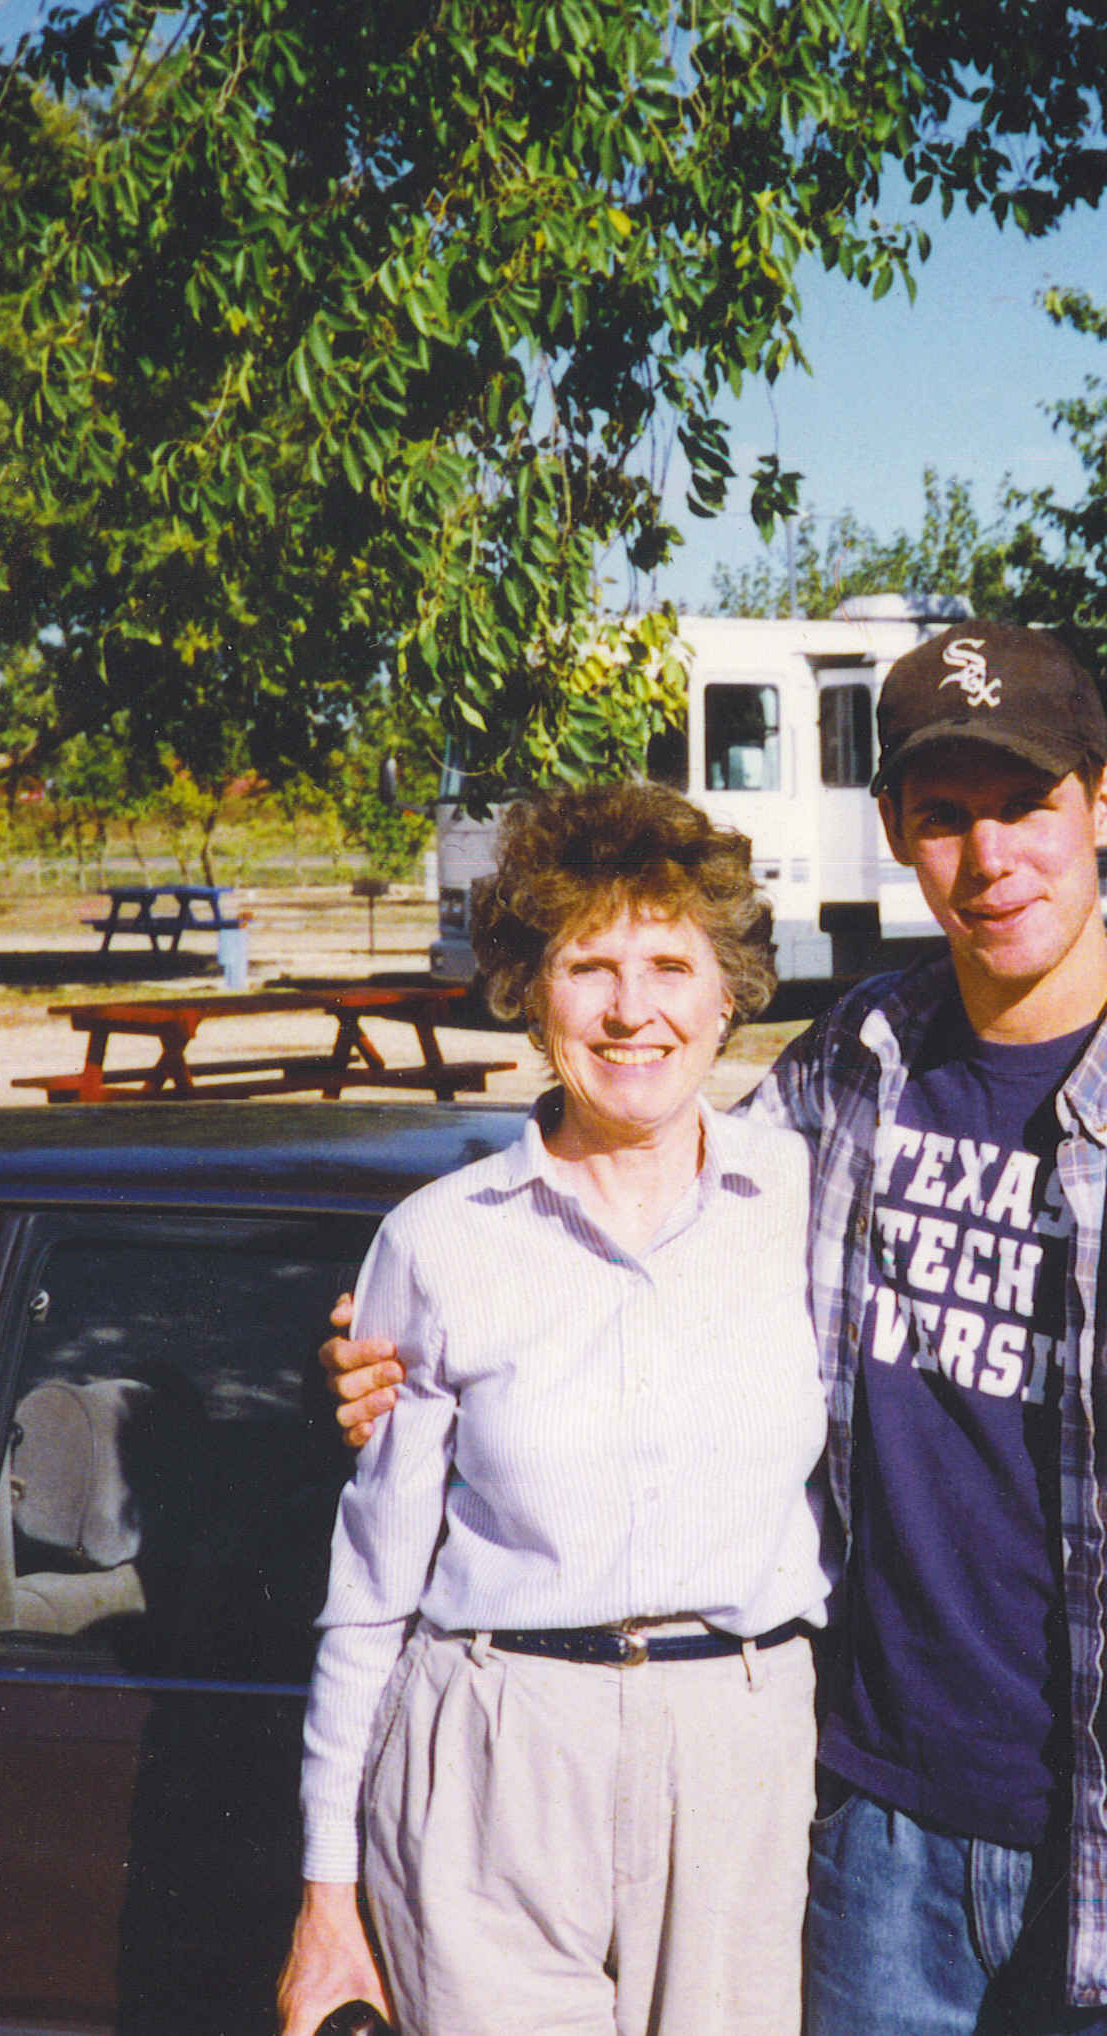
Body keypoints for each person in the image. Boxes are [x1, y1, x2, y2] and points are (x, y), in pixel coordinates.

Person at [328, 623, 1107, 2035]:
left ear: (1103, 804)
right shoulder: (857, 1064)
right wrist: (394, 1336)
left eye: (1024, 805)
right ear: (895, 830)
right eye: (944, 815)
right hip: (879, 1848)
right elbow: (647, 1196)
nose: (989, 857)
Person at [277, 783, 828, 2036]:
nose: (633, 1009)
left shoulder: (807, 1205)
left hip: (740, 1753)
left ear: (729, 992)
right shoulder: (438, 1241)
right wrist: (327, 1897)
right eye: (589, 967)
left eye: (671, 965)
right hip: (493, 1759)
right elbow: (369, 1590)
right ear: (532, 994)